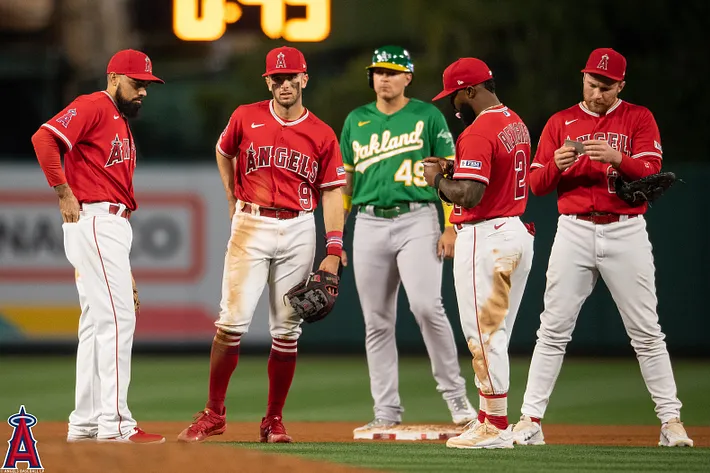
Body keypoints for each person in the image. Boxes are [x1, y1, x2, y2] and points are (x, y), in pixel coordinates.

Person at [510, 48, 693, 448]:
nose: (597, 92)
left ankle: (671, 421)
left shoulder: (638, 117)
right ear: (583, 79)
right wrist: (555, 165)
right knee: (552, 330)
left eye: (606, 86)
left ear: (620, 86)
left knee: (646, 332)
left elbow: (652, 171)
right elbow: (536, 184)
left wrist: (617, 158)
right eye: (592, 83)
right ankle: (530, 420)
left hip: (626, 229)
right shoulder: (560, 122)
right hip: (573, 229)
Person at [177, 46, 346, 444]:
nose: (284, 84)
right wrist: (231, 199)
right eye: (277, 78)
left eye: (291, 78)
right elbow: (223, 151)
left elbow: (333, 192)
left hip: (299, 226)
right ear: (267, 81)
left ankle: (273, 420)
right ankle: (214, 413)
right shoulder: (245, 116)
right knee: (231, 322)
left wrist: (334, 249)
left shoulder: (321, 132)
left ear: (304, 79)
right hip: (251, 223)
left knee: (287, 329)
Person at [30, 49, 165, 444]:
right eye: (136, 83)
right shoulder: (93, 104)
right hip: (94, 219)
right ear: (113, 78)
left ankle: (86, 422)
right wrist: (62, 192)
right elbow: (44, 137)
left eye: (147, 85)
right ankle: (116, 424)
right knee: (118, 322)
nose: (143, 91)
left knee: (94, 323)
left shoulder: (119, 119)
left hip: (110, 224)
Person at [340, 45, 476, 432]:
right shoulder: (356, 120)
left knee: (426, 307)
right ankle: (386, 412)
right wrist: (338, 235)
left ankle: (457, 400)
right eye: (378, 71)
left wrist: (452, 225)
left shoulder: (427, 116)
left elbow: (451, 173)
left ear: (408, 77)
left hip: (418, 218)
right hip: (367, 222)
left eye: (392, 71)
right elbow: (347, 183)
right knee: (376, 321)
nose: (383, 77)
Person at [423, 57, 535, 449]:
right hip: (516, 232)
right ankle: (489, 416)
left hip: (486, 235)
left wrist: (438, 178)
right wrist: (458, 166)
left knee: (483, 335)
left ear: (471, 90)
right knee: (495, 334)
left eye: (456, 93)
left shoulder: (477, 131)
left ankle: (497, 425)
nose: (453, 101)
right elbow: (498, 170)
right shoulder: (515, 122)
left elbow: (470, 194)